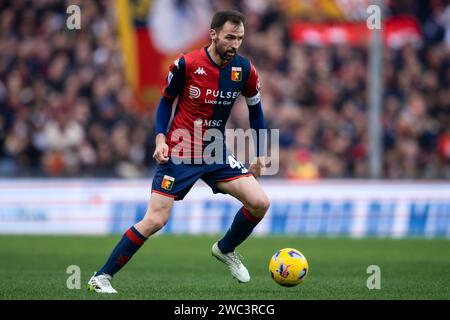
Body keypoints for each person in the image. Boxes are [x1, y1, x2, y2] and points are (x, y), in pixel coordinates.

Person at [87, 10, 270, 293]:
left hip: (214, 150)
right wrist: (160, 140)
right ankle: (101, 277)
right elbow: (165, 103)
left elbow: (256, 112)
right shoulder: (187, 64)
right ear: (214, 34)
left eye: (240, 38)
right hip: (180, 149)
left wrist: (260, 153)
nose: (235, 44)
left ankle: (225, 249)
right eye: (230, 37)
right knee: (156, 220)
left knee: (259, 202)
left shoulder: (244, 70)